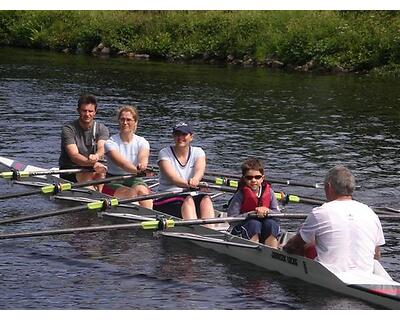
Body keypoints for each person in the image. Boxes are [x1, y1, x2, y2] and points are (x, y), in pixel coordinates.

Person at [284, 165, 385, 274]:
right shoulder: (370, 213)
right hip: (366, 275)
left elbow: (293, 247)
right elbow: (376, 255)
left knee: (306, 245)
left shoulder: (320, 212)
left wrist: (283, 248)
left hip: (329, 275)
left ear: (329, 186)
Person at [153, 122, 215, 221]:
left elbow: (200, 170)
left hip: (190, 194)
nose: (180, 137)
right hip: (166, 197)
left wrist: (196, 179)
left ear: (191, 137)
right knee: (188, 200)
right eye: (177, 134)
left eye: (184, 134)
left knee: (206, 199)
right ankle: (195, 230)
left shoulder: (198, 152)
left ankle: (211, 230)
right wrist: (189, 184)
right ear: (173, 136)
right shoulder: (164, 153)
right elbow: (174, 179)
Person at [102, 105, 152, 209]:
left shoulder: (142, 142)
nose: (125, 123)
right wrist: (139, 172)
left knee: (143, 193)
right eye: (122, 119)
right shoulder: (110, 143)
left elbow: (143, 157)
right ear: (118, 122)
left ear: (135, 123)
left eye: (129, 120)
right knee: (131, 194)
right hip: (113, 180)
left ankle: (150, 218)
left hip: (134, 179)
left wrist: (142, 166)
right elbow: (123, 164)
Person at [227, 158, 281, 248]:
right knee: (254, 224)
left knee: (271, 224)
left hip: (264, 228)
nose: (253, 180)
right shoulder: (240, 194)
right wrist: (252, 214)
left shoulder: (270, 192)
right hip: (244, 229)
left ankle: (272, 250)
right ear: (244, 178)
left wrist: (267, 211)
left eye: (257, 177)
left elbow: (278, 216)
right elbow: (231, 219)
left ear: (262, 178)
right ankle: (253, 251)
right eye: (249, 177)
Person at [59, 94, 108, 184]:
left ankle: (100, 194)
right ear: (78, 111)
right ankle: (94, 193)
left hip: (93, 167)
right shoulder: (68, 129)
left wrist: (97, 156)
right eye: (84, 111)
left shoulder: (102, 128)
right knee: (88, 175)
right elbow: (74, 156)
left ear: (95, 112)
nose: (87, 114)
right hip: (70, 170)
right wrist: (93, 164)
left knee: (101, 173)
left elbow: (102, 148)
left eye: (90, 111)